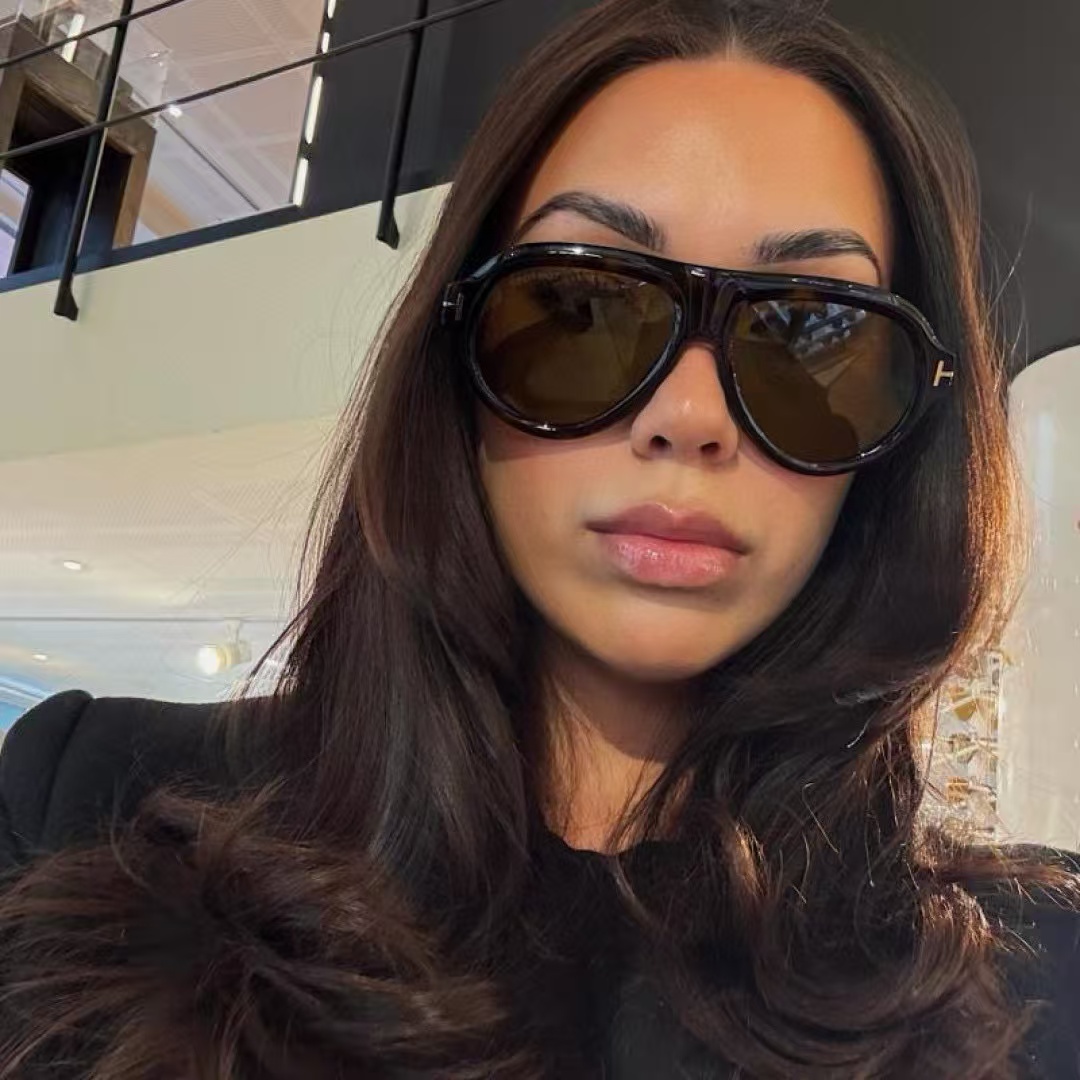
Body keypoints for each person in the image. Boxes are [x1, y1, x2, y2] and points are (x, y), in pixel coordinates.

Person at [1, 0, 1078, 1076]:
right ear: (456, 354)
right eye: (581, 306)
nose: (689, 416)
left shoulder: (1034, 979)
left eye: (813, 333)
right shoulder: (91, 811)